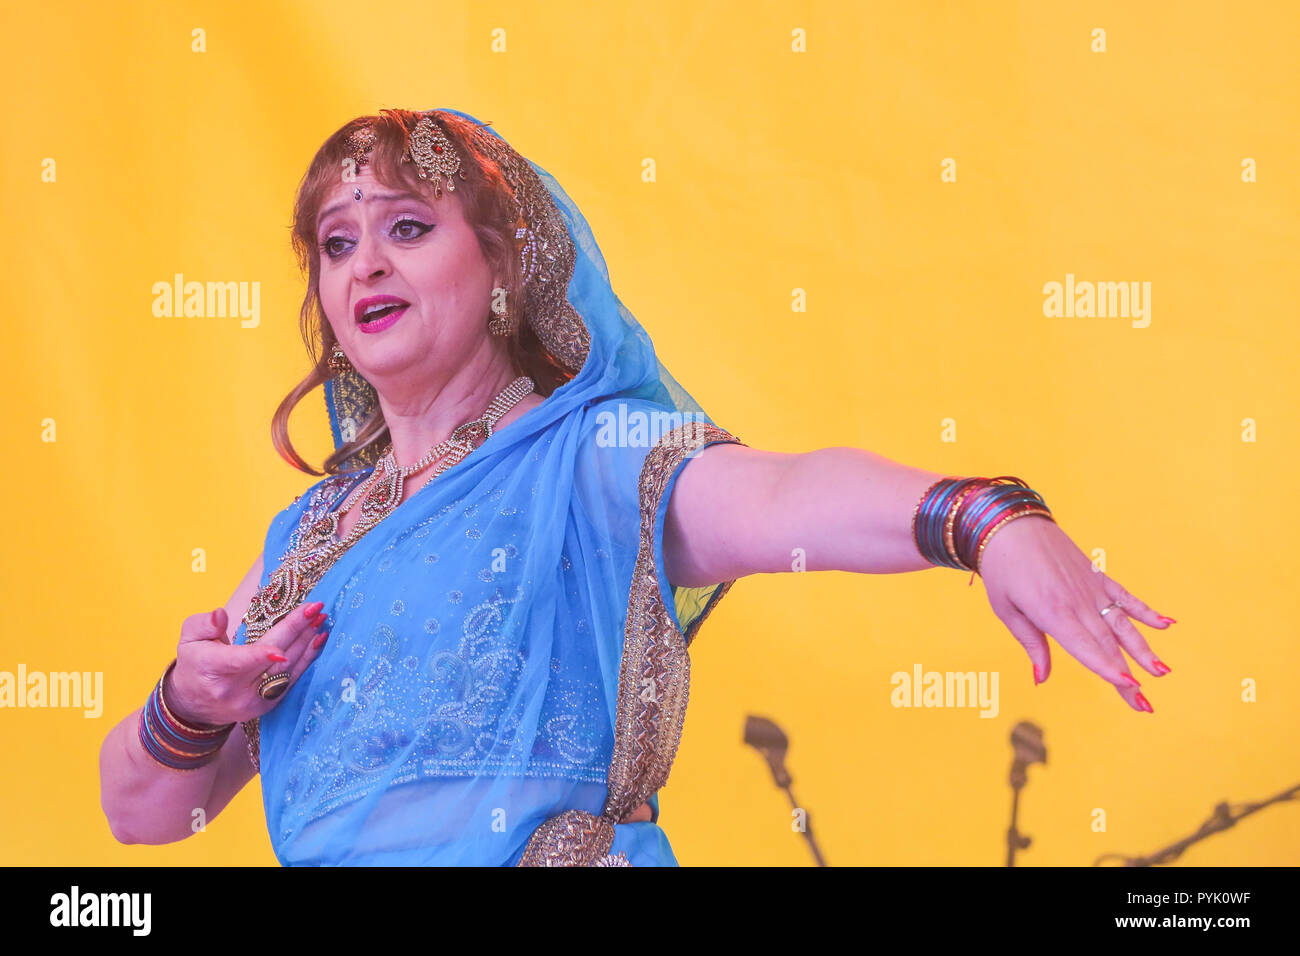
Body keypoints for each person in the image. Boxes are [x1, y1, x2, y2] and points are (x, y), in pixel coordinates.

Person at [98, 108, 1177, 866]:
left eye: (408, 228)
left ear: (502, 270)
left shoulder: (591, 457)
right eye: (337, 245)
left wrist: (985, 518)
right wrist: (192, 705)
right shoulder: (310, 540)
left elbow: (785, 497)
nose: (365, 264)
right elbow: (139, 813)